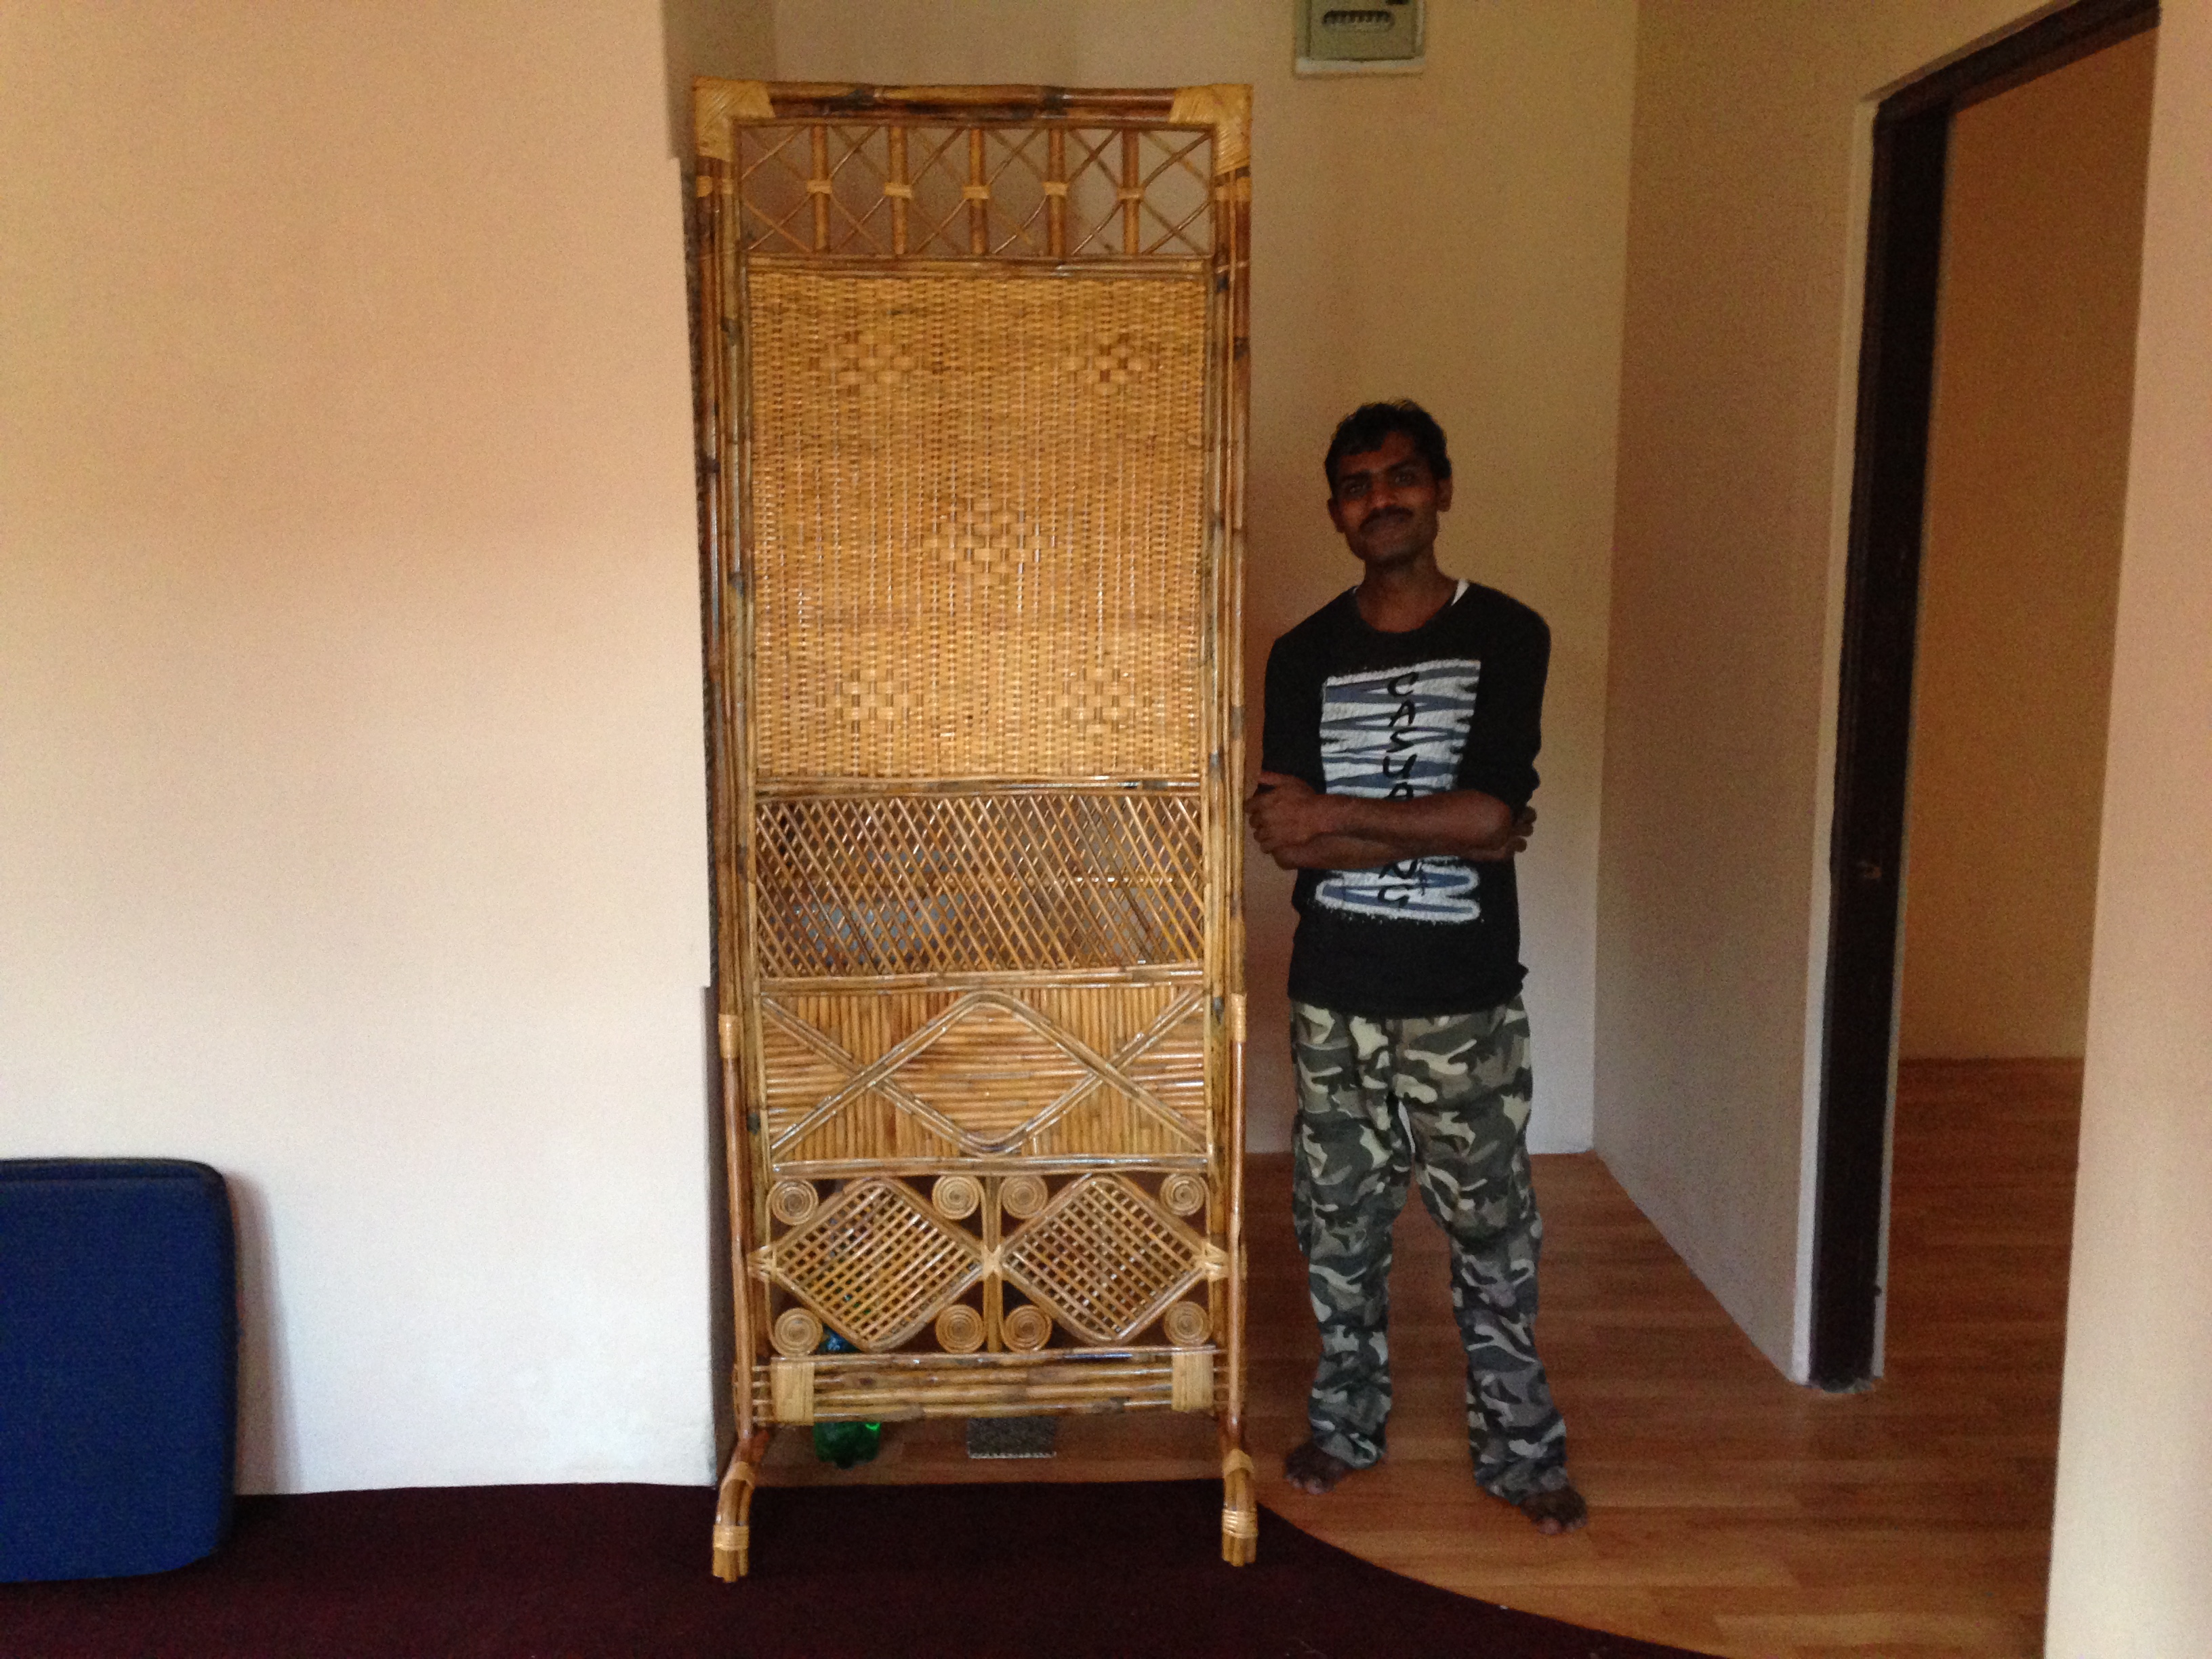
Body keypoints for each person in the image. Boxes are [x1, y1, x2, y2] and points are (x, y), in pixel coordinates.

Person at [1244, 400, 1586, 1534]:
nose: (1380, 498)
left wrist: (1350, 816)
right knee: (1337, 1232)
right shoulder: (1304, 654)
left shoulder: (1508, 634)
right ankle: (1347, 1425)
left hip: (1463, 1004)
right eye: (1357, 484)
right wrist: (1456, 826)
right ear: (1336, 511)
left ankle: (1522, 1453)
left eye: (1400, 476)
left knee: (1493, 1234)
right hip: (1333, 1000)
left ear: (1441, 489)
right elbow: (1286, 835)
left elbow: (1490, 809)